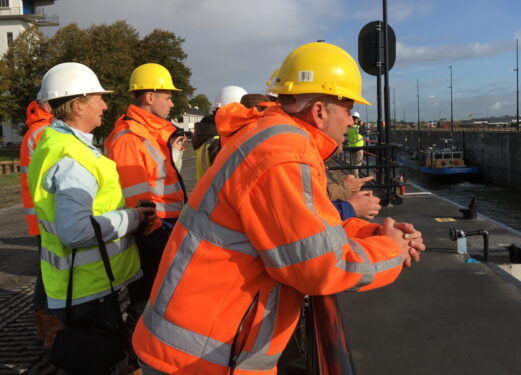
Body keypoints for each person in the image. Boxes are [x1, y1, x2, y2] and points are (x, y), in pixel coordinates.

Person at [133, 41, 425, 374]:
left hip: (196, 347)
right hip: (201, 358)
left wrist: (375, 231)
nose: (351, 122)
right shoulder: (284, 153)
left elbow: (308, 225)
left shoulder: (273, 138)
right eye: (348, 109)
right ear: (319, 110)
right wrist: (391, 250)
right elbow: (319, 268)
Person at [27, 62, 155, 373]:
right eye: (98, 98)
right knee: (102, 362)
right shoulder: (72, 157)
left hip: (80, 286)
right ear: (76, 104)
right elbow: (76, 231)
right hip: (88, 291)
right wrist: (133, 218)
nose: (105, 105)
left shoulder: (56, 144)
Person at [104, 62, 187, 371]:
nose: (172, 102)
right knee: (146, 301)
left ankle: (147, 356)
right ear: (150, 96)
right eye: (168, 95)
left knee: (158, 299)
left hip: (163, 228)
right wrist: (155, 235)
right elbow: (135, 198)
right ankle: (136, 362)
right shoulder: (130, 137)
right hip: (150, 234)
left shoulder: (147, 134)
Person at [19, 99, 62, 349]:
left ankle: (44, 329)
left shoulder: (33, 132)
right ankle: (50, 332)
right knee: (50, 275)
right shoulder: (44, 133)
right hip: (47, 216)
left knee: (46, 273)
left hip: (38, 216)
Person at [347, 111, 365, 177]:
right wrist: (362, 125)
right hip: (358, 148)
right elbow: (363, 132)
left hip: (351, 148)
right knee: (356, 166)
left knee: (353, 165)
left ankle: (353, 178)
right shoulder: (358, 127)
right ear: (357, 119)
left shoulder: (349, 127)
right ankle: (355, 180)